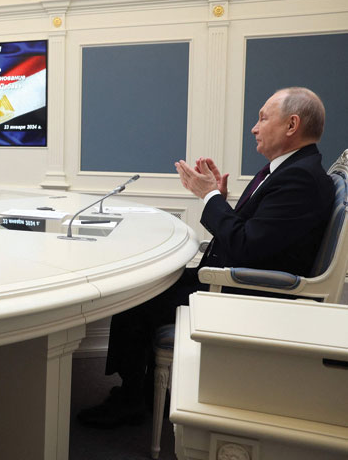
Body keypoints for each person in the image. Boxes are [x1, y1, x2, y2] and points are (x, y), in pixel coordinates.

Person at [77, 87, 334, 428]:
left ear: (291, 125)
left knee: (137, 297)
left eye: (262, 118)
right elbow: (256, 234)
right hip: (235, 277)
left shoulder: (300, 178)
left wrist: (210, 196)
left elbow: (245, 245)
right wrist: (219, 197)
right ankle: (141, 389)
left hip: (248, 293)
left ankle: (130, 397)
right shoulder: (291, 170)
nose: (254, 128)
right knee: (143, 286)